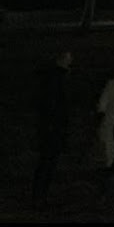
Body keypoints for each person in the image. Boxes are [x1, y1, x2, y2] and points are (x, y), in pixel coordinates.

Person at [31, 49, 73, 207]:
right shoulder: (56, 79)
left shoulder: (50, 78)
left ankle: (40, 194)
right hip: (53, 127)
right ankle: (40, 196)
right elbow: (57, 104)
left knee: (46, 161)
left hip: (50, 126)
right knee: (48, 162)